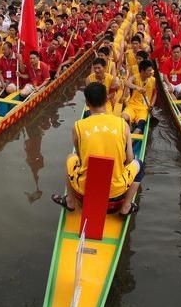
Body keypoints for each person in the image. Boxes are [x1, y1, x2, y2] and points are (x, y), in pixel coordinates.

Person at [52, 81, 141, 216]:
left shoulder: (78, 126)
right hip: (116, 191)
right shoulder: (123, 125)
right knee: (139, 164)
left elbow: (81, 158)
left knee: (70, 158)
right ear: (106, 100)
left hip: (85, 190)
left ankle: (70, 200)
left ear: (87, 103)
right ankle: (126, 206)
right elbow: (129, 159)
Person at [121, 59, 156, 134]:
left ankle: (130, 142)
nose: (151, 72)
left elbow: (155, 94)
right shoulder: (135, 77)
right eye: (149, 70)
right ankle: (129, 126)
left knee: (140, 126)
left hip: (144, 108)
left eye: (151, 70)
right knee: (123, 118)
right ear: (142, 71)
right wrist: (136, 87)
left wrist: (152, 105)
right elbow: (127, 83)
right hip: (132, 106)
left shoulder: (153, 80)